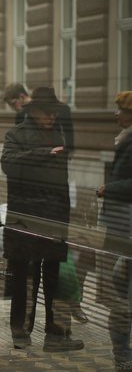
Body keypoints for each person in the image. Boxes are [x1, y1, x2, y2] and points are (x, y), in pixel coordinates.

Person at [1, 87, 84, 352]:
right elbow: (8, 164)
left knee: (53, 278)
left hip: (54, 218)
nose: (51, 116)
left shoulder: (59, 133)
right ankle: (21, 332)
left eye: (54, 112)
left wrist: (66, 217)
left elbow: (61, 182)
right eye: (46, 112)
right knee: (26, 276)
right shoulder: (16, 134)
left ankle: (56, 335)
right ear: (33, 111)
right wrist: (43, 154)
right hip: (26, 217)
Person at [96, 91, 132, 372]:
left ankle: (122, 353)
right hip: (120, 223)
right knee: (118, 290)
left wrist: (111, 188)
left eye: (119, 109)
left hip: (126, 224)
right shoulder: (124, 139)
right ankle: (121, 353)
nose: (115, 113)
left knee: (120, 292)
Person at [4, 83, 74, 153]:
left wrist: (68, 150)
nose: (12, 108)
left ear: (22, 96)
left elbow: (67, 131)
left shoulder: (57, 108)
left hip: (53, 150)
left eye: (13, 104)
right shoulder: (20, 116)